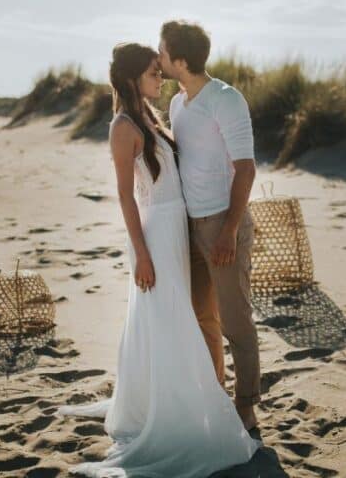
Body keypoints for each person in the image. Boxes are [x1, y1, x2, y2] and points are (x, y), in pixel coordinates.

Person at [56, 42, 259, 478]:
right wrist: (142, 255)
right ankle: (176, 407)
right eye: (153, 71)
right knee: (169, 317)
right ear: (133, 78)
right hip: (155, 237)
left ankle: (183, 395)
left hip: (176, 231)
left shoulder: (152, 116)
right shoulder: (123, 126)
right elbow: (126, 197)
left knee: (179, 317)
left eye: (160, 68)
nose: (160, 77)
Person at [158, 20, 261, 431]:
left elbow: (247, 169)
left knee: (236, 319)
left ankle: (247, 405)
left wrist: (230, 229)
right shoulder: (177, 104)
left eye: (162, 51)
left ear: (180, 60)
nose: (158, 57)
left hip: (223, 223)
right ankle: (214, 392)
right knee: (202, 316)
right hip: (189, 225)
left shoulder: (226, 99)